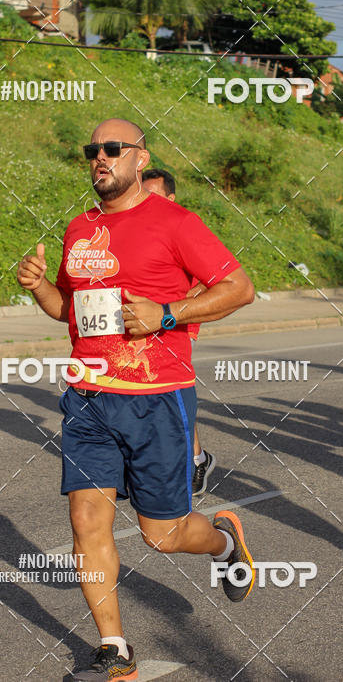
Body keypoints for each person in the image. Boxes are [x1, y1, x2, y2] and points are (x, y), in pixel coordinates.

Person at [17, 118, 255, 682]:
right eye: (93, 150)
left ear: (140, 159)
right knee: (85, 519)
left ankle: (224, 543)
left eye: (113, 149)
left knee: (164, 535)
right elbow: (66, 310)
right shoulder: (79, 230)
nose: (101, 157)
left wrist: (167, 314)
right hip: (88, 398)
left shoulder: (175, 222)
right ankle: (114, 647)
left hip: (157, 398)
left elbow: (238, 288)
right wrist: (38, 287)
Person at [141, 167, 216, 496]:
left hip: (176, 321)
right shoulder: (139, 225)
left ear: (171, 198)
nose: (147, 202)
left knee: (170, 391)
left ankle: (195, 459)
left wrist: (176, 310)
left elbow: (216, 281)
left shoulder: (184, 225)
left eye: (154, 196)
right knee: (156, 390)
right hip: (145, 322)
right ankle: (189, 457)